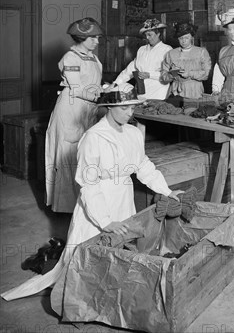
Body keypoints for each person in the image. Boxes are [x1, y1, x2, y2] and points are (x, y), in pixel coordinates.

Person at [1, 87, 183, 302]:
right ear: (109, 108)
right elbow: (89, 185)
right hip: (98, 201)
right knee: (84, 260)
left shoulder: (133, 133)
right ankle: (49, 261)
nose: (129, 113)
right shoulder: (93, 137)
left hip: (123, 197)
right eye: (124, 108)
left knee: (120, 252)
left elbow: (144, 166)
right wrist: (105, 221)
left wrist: (167, 191)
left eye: (132, 108)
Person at [45, 18, 105, 213]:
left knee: (85, 155)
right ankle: (67, 207)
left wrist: (104, 90)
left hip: (88, 110)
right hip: (71, 109)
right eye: (93, 38)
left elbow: (94, 84)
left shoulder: (94, 58)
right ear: (82, 38)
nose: (97, 41)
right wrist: (102, 96)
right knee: (67, 157)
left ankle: (85, 203)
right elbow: (77, 89)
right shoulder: (70, 58)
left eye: (97, 38)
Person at [113, 18, 172, 100]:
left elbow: (170, 74)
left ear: (158, 34)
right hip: (141, 91)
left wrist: (150, 75)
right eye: (146, 35)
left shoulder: (167, 50)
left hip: (158, 92)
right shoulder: (142, 49)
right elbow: (131, 69)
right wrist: (116, 83)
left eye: (150, 35)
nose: (147, 38)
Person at [160, 21, 212, 98]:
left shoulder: (201, 52)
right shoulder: (171, 53)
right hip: (176, 91)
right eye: (181, 38)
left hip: (194, 90)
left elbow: (206, 74)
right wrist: (171, 75)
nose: (183, 41)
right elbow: (163, 77)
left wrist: (189, 73)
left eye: (186, 37)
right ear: (178, 38)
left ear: (192, 37)